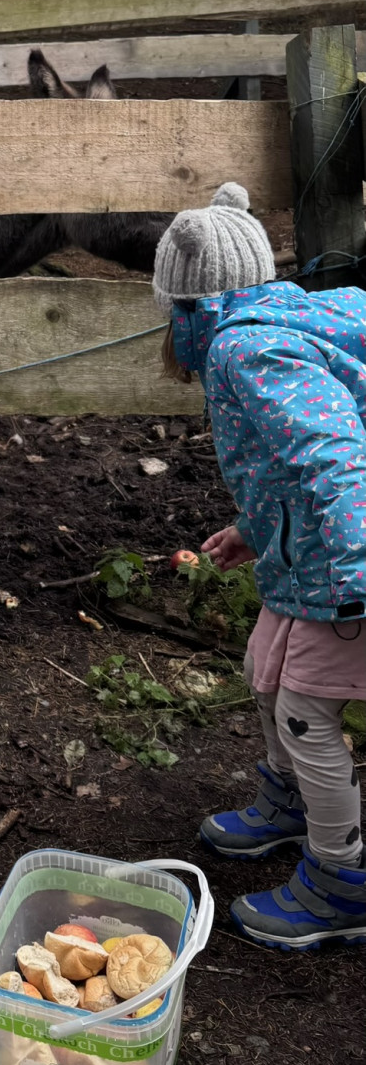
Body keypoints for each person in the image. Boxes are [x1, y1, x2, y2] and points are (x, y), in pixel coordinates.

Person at [154, 180, 366, 949]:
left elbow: (333, 454)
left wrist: (358, 569)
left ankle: (341, 881)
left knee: (306, 710)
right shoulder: (274, 325)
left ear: (190, 305)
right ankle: (289, 804)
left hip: (346, 569)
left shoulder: (246, 349)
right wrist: (254, 529)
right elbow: (288, 462)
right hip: (309, 553)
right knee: (265, 668)